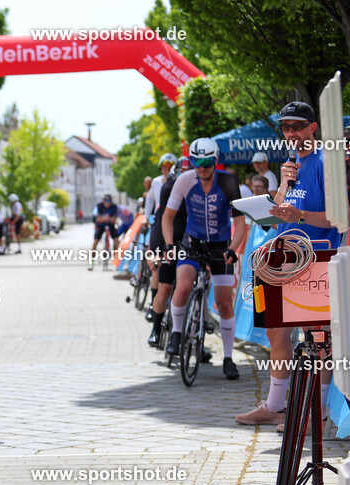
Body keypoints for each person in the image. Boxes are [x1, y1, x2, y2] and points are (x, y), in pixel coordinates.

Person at [237, 101, 345, 426]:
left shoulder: (327, 162)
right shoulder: (292, 163)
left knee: (319, 336)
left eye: (297, 126)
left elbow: (340, 218)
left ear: (313, 127)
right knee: (275, 332)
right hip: (283, 258)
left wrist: (299, 215)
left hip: (317, 258)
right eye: (285, 127)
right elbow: (279, 211)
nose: (291, 132)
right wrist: (282, 187)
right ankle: (275, 404)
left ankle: (318, 411)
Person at [162, 137, 245, 380]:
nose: (202, 167)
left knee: (224, 302)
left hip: (220, 245)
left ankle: (228, 358)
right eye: (196, 162)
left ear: (215, 161)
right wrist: (169, 244)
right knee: (184, 286)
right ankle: (177, 333)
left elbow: (239, 223)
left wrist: (233, 248)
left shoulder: (228, 182)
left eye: (207, 162)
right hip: (193, 242)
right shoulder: (185, 180)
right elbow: (168, 217)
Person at [147, 156, 188, 346]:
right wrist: (156, 250)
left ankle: (197, 338)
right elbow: (163, 220)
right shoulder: (167, 187)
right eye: (181, 172)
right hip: (168, 238)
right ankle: (156, 329)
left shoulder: (201, 187)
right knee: (164, 287)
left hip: (190, 242)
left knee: (197, 288)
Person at [88, 194, 119, 271]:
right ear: (103, 201)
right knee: (95, 242)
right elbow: (99, 218)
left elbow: (114, 219)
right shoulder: (100, 206)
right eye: (106, 201)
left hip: (111, 225)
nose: (107, 203)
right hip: (101, 225)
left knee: (116, 241)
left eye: (109, 201)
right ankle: (91, 263)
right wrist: (106, 219)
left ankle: (118, 262)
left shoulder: (114, 206)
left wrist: (105, 218)